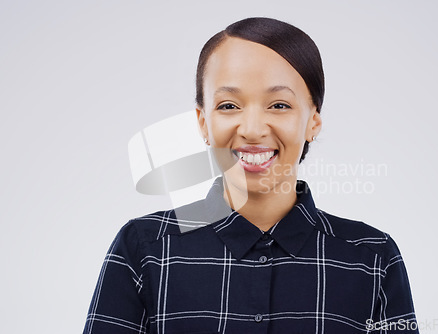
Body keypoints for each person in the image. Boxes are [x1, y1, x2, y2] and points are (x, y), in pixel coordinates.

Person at [84, 17, 419, 334]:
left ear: (313, 121)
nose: (254, 130)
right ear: (203, 122)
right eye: (229, 106)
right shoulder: (144, 249)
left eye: (279, 105)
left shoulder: (372, 258)